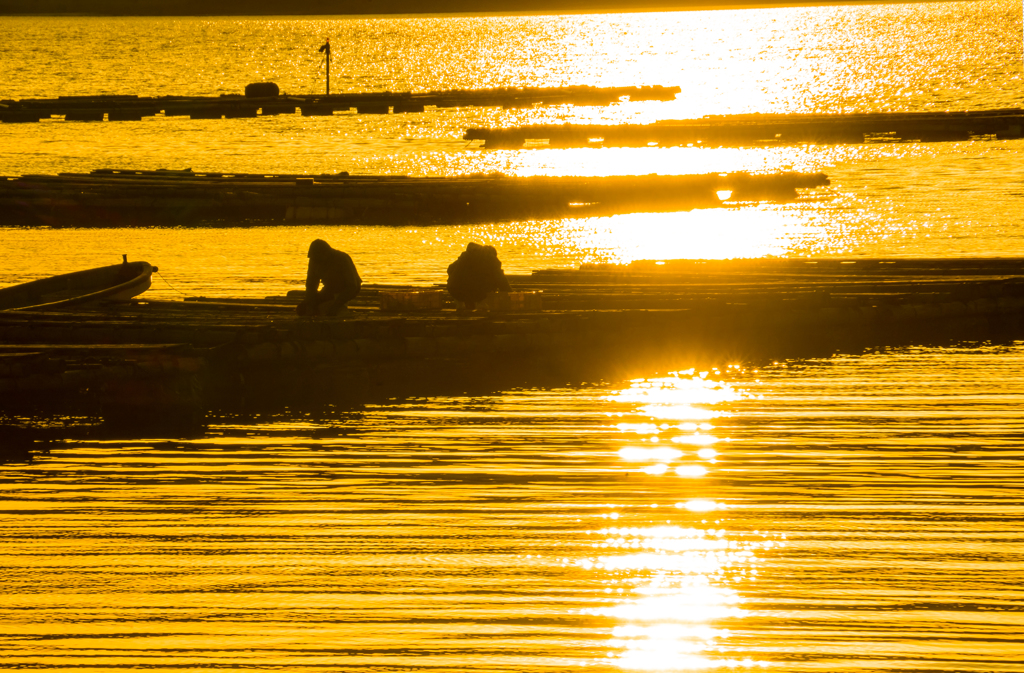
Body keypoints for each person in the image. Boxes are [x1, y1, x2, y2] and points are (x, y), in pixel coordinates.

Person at [297, 239, 361, 316]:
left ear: (325, 254)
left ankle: (340, 309)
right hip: (329, 288)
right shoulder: (314, 260)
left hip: (347, 289)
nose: (315, 261)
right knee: (303, 308)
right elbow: (311, 285)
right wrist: (309, 302)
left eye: (318, 258)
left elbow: (352, 286)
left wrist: (336, 305)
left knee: (332, 311)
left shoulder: (342, 258)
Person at [446, 242, 511, 311]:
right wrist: (510, 294)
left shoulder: (466, 256)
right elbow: (501, 279)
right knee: (493, 278)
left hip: (454, 290)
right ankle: (481, 302)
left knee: (463, 281)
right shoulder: (491, 258)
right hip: (476, 293)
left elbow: (450, 269)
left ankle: (460, 303)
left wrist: (455, 279)